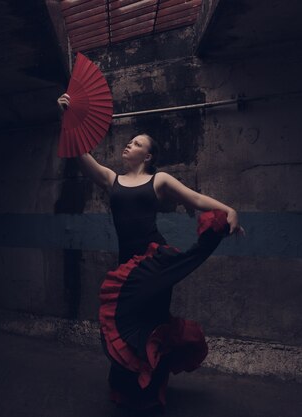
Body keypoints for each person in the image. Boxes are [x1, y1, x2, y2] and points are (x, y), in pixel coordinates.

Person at [57, 93, 245, 411]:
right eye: (129, 142)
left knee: (152, 326)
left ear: (148, 155)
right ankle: (127, 389)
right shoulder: (111, 179)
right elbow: (80, 155)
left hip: (155, 265)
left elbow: (196, 200)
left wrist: (230, 210)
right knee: (122, 326)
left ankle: (151, 392)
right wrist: (69, 117)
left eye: (137, 143)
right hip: (127, 270)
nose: (129, 145)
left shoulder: (158, 179)